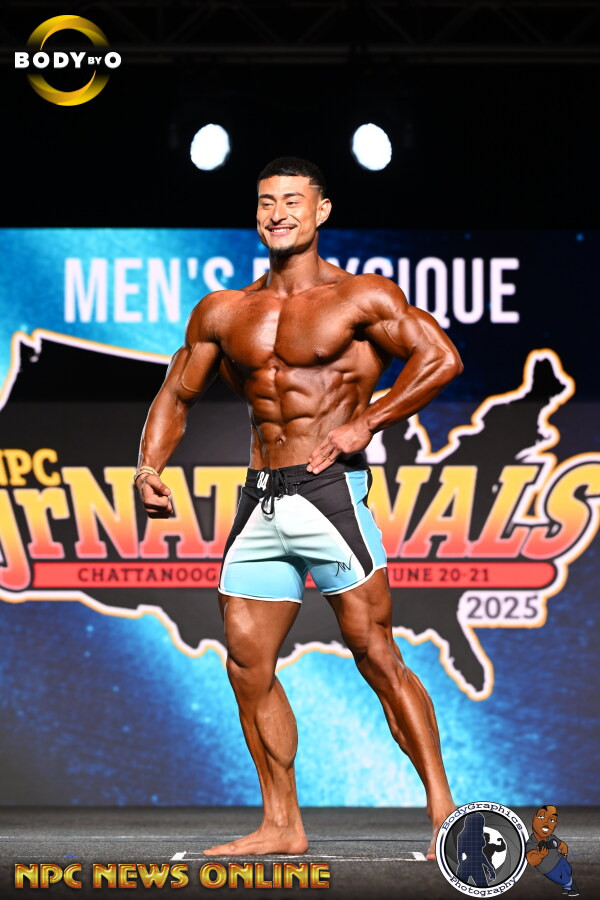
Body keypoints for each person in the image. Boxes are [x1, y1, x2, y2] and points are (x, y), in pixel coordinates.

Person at [135, 156, 462, 858]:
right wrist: (148, 467)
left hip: (330, 492)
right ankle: (281, 823)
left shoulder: (361, 297)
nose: (277, 212)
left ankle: (445, 811)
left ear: (321, 211)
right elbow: (176, 393)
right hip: (261, 498)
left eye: (291, 200)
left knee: (374, 651)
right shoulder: (223, 311)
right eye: (265, 202)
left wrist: (368, 421)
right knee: (246, 663)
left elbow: (441, 359)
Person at [526, 806, 579, 897]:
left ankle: (567, 887)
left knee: (568, 871)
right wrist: (540, 855)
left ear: (555, 824)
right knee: (561, 879)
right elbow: (531, 860)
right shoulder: (531, 843)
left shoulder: (551, 837)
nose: (546, 822)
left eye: (551, 820)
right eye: (542, 817)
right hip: (548, 868)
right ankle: (572, 885)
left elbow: (562, 845)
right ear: (534, 819)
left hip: (560, 860)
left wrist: (564, 856)